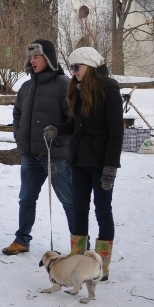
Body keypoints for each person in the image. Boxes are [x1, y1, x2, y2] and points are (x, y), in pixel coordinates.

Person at [44, 47, 122, 281]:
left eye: (76, 67)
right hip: (78, 160)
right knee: (79, 210)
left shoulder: (109, 90)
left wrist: (110, 167)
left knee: (102, 210)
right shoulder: (78, 90)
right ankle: (78, 260)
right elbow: (76, 124)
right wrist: (57, 128)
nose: (73, 72)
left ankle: (101, 265)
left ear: (89, 66)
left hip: (101, 163)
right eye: (71, 68)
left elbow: (116, 132)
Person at [3, 39, 74, 256]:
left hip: (57, 156)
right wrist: (19, 136)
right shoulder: (26, 87)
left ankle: (80, 244)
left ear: (49, 59)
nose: (32, 60)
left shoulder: (64, 85)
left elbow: (74, 119)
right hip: (31, 155)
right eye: (31, 56)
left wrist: (58, 138)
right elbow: (17, 115)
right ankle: (22, 239)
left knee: (70, 201)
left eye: (37, 56)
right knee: (26, 198)